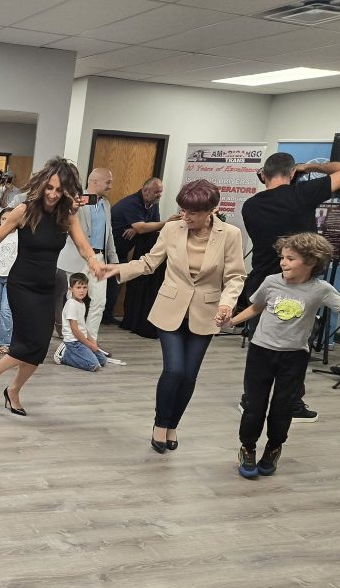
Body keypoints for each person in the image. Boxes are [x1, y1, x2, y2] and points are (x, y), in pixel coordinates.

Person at [224, 233, 340, 478]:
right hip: (261, 352)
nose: (283, 262)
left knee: (282, 407)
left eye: (290, 258)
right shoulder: (271, 281)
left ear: (311, 261)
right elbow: (257, 307)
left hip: (294, 358)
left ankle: (274, 447)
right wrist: (231, 321)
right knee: (254, 405)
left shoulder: (321, 290)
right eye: (282, 257)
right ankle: (248, 447)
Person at [102, 179, 245, 454]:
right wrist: (117, 269)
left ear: (211, 211)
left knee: (189, 376)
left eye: (193, 212)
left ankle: (173, 425)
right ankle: (160, 423)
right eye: (183, 210)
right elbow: (149, 263)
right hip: (170, 309)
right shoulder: (172, 229)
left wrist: (227, 304)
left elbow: (235, 276)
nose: (185, 216)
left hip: (206, 312)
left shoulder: (230, 234)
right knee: (174, 370)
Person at [0, 157, 102, 415]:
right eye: (50, 188)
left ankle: (13, 390)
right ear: (42, 185)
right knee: (26, 344)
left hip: (47, 288)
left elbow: (83, 246)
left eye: (59, 190)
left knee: (40, 346)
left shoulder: (67, 217)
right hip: (21, 286)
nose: (53, 194)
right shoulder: (24, 210)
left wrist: (94, 262)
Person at [237, 152, 340, 423]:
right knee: (295, 349)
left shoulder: (250, 205)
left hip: (263, 282)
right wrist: (312, 167)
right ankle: (291, 403)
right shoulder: (302, 194)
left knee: (260, 347)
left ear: (263, 175)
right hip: (298, 288)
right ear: (292, 173)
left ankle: (251, 400)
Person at [56, 168, 116, 341]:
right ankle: (71, 340)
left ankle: (90, 341)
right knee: (73, 302)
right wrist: (73, 205)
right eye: (108, 182)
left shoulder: (106, 204)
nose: (110, 186)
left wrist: (114, 260)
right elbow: (66, 222)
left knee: (99, 302)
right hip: (77, 257)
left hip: (99, 258)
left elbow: (109, 233)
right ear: (95, 181)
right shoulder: (75, 200)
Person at [109, 178, 164, 335]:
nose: (159, 195)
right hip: (110, 249)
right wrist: (140, 227)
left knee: (118, 283)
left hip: (122, 251)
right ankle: (101, 315)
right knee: (109, 283)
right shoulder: (132, 203)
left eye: (161, 191)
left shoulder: (153, 204)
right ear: (145, 191)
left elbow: (150, 226)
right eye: (157, 192)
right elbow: (142, 227)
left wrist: (137, 228)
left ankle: (107, 315)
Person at [58, 272, 107, 373]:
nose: (82, 291)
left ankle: (78, 354)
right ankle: (64, 355)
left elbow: (83, 327)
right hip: (73, 342)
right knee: (93, 365)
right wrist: (89, 345)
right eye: (78, 287)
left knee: (102, 360)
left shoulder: (82, 304)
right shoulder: (71, 304)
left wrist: (92, 341)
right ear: (71, 289)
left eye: (84, 287)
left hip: (81, 340)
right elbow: (75, 330)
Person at [0, 206, 17, 355]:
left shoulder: (20, 236)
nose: (6, 221)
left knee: (7, 310)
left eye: (9, 218)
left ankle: (4, 343)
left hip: (12, 278)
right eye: (3, 219)